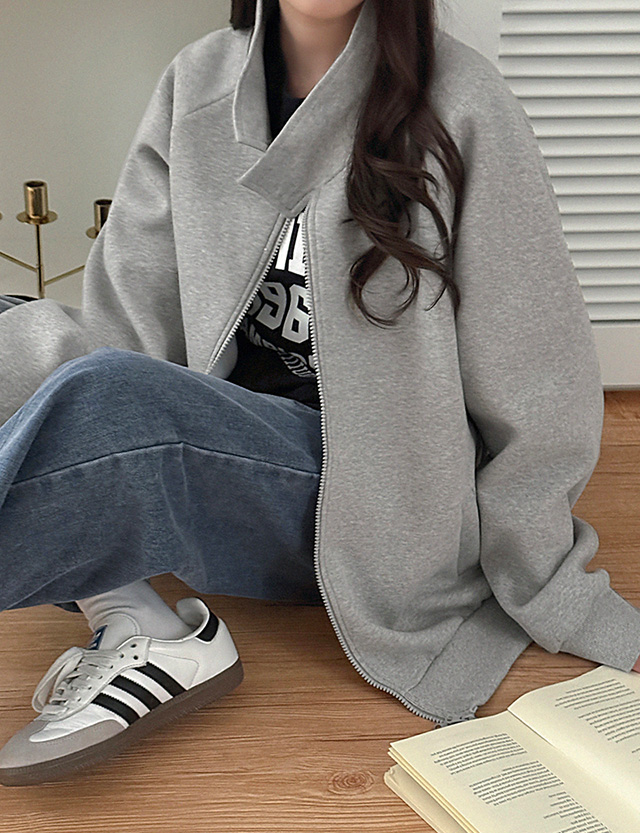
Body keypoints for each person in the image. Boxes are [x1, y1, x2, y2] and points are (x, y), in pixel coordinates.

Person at [1, 0, 640, 787]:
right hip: (223, 434)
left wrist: (559, 592)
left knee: (109, 399)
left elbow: (537, 380)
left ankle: (118, 580)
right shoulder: (198, 82)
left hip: (364, 499)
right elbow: (129, 326)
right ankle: (137, 613)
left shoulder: (465, 103)